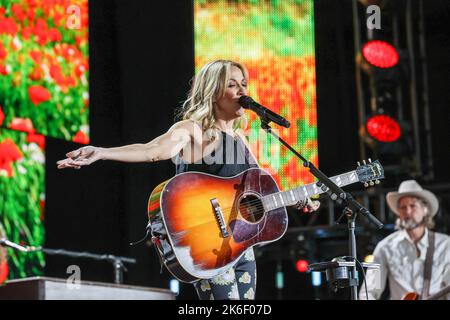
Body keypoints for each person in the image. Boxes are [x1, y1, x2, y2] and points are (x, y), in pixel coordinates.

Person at [57, 60, 319, 300]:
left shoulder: (241, 140)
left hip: (241, 247)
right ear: (214, 91)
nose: (241, 91)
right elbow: (152, 151)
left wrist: (295, 199)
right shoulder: (193, 129)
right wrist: (102, 152)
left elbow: (260, 192)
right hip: (207, 245)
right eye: (232, 84)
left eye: (243, 84)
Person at [359, 180, 450, 300]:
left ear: (425, 210)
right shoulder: (385, 247)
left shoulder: (445, 244)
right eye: (403, 207)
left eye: (413, 206)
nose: (407, 212)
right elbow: (369, 291)